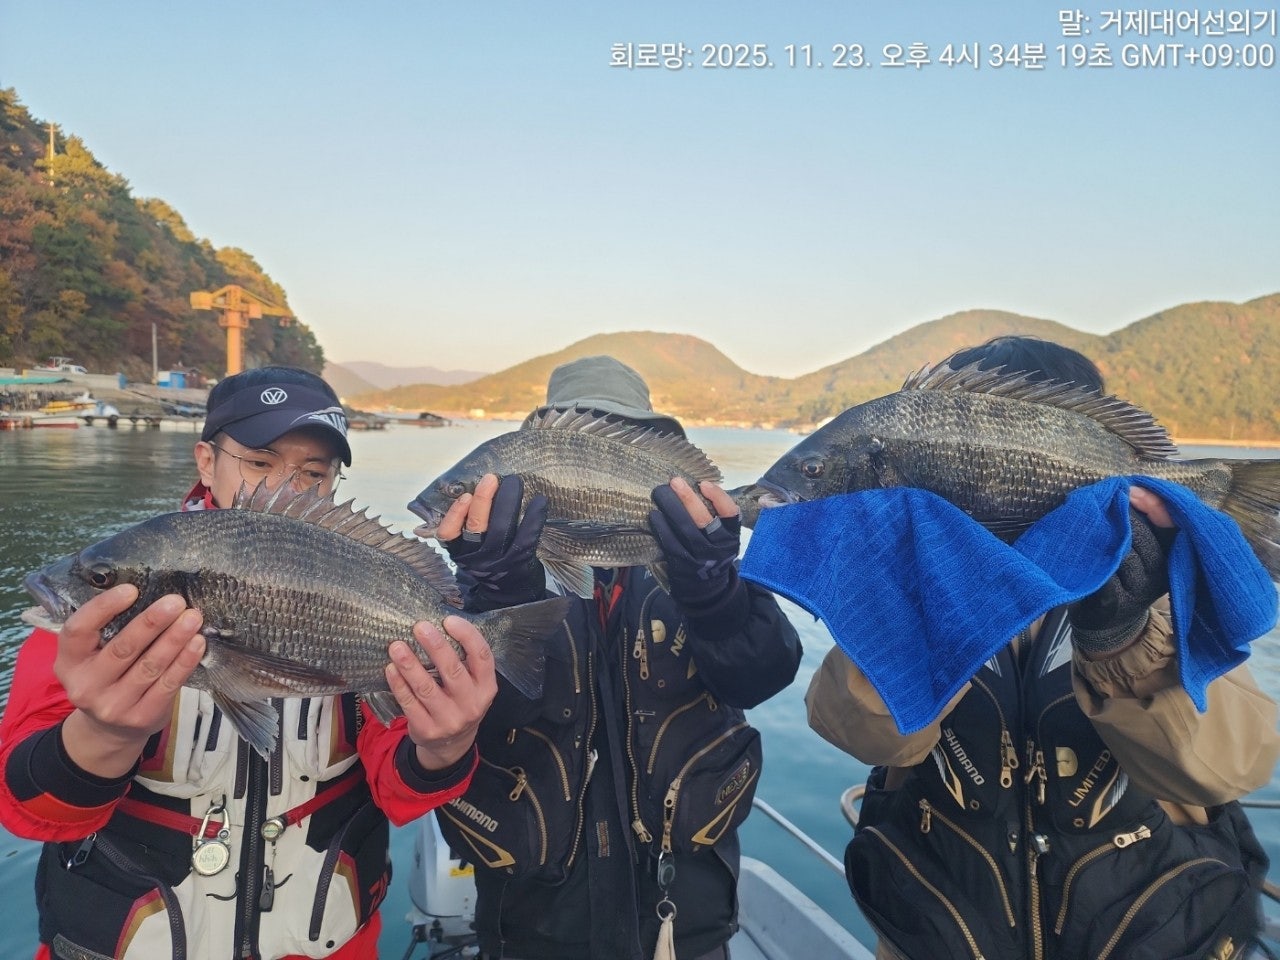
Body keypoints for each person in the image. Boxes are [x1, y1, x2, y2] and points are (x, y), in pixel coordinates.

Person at [0, 365, 499, 960]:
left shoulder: (358, 587)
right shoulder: (102, 612)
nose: (288, 487)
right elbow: (28, 808)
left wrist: (445, 746)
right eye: (260, 462)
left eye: (314, 472)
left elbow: (401, 794)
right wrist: (103, 736)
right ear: (206, 461)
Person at [806, 336, 1279, 960]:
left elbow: (1234, 768)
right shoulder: (900, 593)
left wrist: (1123, 635)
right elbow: (864, 736)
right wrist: (913, 614)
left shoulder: (1158, 594)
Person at [425, 355, 804, 960]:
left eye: (621, 436)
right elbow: (482, 718)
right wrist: (501, 595)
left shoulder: (702, 565)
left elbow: (763, 674)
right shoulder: (488, 575)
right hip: (535, 925)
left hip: (684, 920)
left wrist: (715, 596)